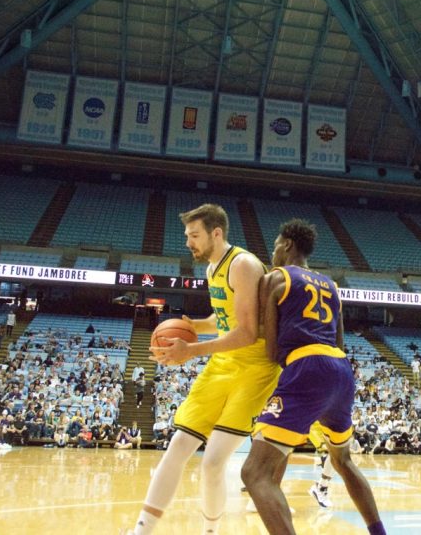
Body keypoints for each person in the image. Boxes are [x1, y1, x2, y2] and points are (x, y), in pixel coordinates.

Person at [130, 203, 279, 535]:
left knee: (213, 462)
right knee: (179, 445)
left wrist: (190, 350)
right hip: (224, 363)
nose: (188, 242)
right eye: (186, 236)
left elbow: (246, 331)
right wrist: (195, 325)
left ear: (216, 233)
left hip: (255, 367)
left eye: (194, 235)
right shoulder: (213, 270)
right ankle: (141, 530)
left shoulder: (242, 264)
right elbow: (222, 319)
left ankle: (211, 532)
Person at [241, 218, 385, 535]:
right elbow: (340, 343)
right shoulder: (332, 286)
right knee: (343, 461)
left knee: (254, 473)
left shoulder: (276, 278)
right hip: (341, 370)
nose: (274, 250)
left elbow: (271, 349)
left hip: (306, 367)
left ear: (288, 244)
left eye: (277, 244)